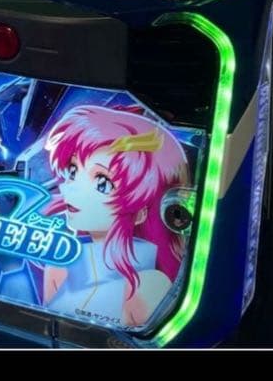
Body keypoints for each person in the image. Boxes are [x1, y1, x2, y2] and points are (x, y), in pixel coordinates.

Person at [42, 104, 189, 328]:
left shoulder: (148, 286)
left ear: (141, 212)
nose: (71, 187)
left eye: (103, 182)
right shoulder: (58, 266)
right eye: (72, 170)